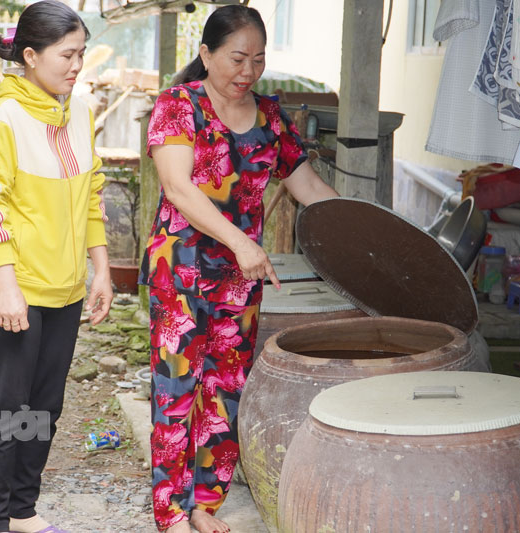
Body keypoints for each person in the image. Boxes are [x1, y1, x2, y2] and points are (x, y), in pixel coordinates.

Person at [139, 5, 339, 533]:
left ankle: (204, 504)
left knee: (225, 390)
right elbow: (180, 189)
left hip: (239, 281)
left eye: (258, 60)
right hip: (181, 271)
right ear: (206, 54)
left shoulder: (272, 118)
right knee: (178, 388)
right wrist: (240, 242)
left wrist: (362, 237)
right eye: (235, 58)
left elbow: (311, 190)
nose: (247, 71)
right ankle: (171, 513)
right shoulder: (178, 106)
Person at [0, 2, 112, 532]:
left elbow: (91, 193)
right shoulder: (2, 118)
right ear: (30, 56)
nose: (76, 66)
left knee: (46, 408)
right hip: (16, 292)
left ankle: (24, 510)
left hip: (67, 290)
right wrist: (7, 287)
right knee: (9, 413)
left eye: (81, 54)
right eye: (66, 55)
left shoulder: (79, 111)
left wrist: (100, 269)